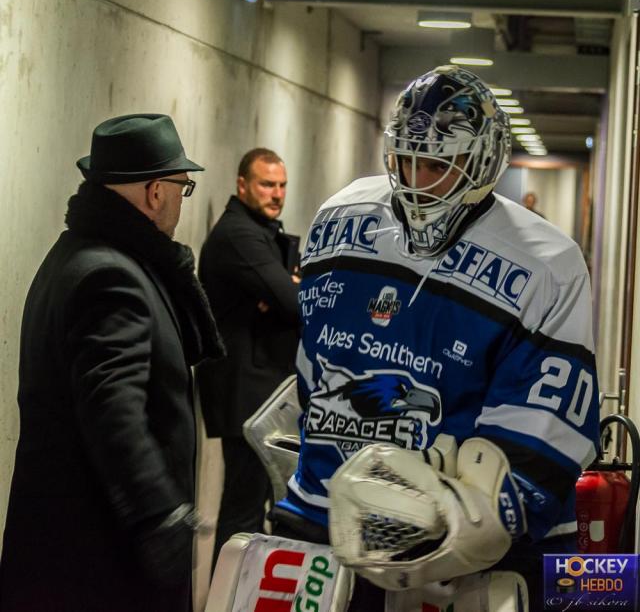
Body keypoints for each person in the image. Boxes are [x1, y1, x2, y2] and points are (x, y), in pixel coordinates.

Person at [273, 66, 600, 611]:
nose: (417, 181)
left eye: (438, 166)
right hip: (323, 514)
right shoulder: (339, 217)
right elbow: (315, 367)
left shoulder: (547, 264)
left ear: (483, 164)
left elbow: (542, 437)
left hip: (450, 549)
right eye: (407, 161)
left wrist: (467, 521)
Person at [0, 114, 224, 612]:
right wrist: (157, 514)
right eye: (181, 188)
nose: (179, 203)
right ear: (154, 192)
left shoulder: (73, 256)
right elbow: (112, 405)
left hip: (69, 549)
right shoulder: (111, 278)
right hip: (99, 557)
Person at [195, 148, 300, 573]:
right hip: (244, 396)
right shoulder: (239, 234)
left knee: (252, 505)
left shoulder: (259, 230)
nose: (276, 194)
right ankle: (227, 596)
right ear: (242, 185)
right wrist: (286, 290)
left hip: (257, 391)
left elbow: (286, 294)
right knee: (242, 510)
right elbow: (294, 302)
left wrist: (283, 290)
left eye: (281, 186)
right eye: (266, 184)